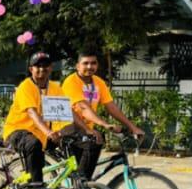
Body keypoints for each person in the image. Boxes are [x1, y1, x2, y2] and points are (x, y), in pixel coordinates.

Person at [61, 47, 144, 179]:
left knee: (95, 143)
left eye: (93, 63)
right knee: (93, 142)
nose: (90, 66)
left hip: (86, 128)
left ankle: (81, 186)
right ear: (77, 66)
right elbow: (83, 107)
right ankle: (81, 186)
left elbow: (111, 107)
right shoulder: (71, 82)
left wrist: (132, 127)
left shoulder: (99, 83)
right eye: (85, 63)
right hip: (68, 126)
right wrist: (104, 124)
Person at [3, 51, 70, 185]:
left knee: (76, 142)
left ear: (50, 68)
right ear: (31, 69)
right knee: (33, 143)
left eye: (45, 65)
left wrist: (66, 131)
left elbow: (64, 114)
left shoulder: (56, 88)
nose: (42, 69)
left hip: (42, 135)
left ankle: (80, 186)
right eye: (37, 66)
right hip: (17, 131)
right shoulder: (25, 87)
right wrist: (49, 132)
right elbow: (32, 113)